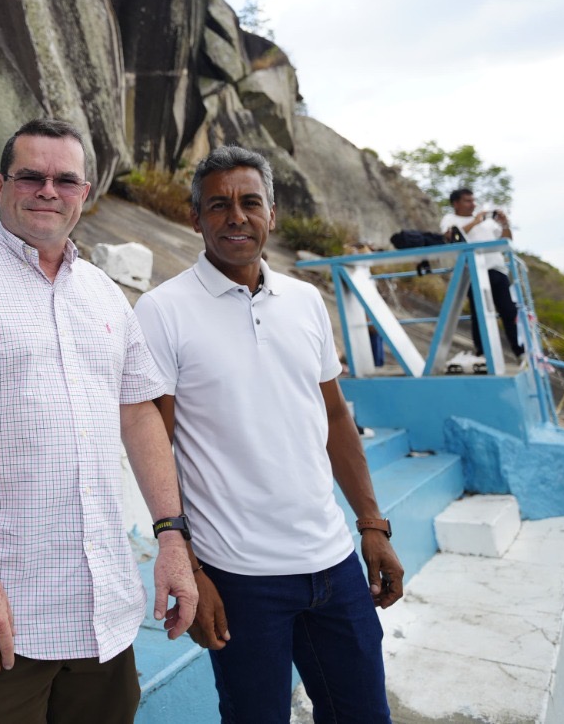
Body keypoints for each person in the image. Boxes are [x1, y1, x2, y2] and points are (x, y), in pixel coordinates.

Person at [0, 118, 197, 724]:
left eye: (65, 179)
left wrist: (171, 538)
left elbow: (139, 416)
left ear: (84, 194)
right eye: (31, 176)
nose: (47, 190)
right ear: (1, 186)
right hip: (0, 609)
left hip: (103, 608)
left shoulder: (106, 296)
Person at [134, 145, 403, 724]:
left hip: (334, 565)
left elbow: (335, 421)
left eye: (251, 202)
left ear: (272, 213)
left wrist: (372, 526)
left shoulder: (306, 302)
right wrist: (193, 569)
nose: (237, 216)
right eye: (219, 205)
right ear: (195, 217)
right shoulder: (162, 310)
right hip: (239, 577)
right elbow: (159, 443)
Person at [439, 188, 525, 359]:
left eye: (473, 200)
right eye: (467, 201)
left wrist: (504, 224)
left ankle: (520, 352)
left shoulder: (487, 223)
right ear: (456, 203)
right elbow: (450, 237)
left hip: (497, 269)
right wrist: (475, 222)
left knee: (509, 311)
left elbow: (506, 241)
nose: (473, 204)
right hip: (473, 271)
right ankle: (482, 353)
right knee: (480, 312)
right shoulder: (450, 219)